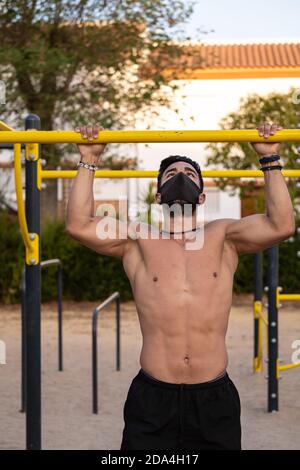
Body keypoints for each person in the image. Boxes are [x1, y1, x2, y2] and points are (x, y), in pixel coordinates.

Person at [66, 122, 295, 450]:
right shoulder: (138, 240)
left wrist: (270, 160)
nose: (181, 176)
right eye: (171, 173)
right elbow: (79, 224)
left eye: (189, 173)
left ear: (202, 196)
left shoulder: (224, 237)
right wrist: (89, 160)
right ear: (159, 195)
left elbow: (281, 224)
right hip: (153, 398)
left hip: (213, 397)